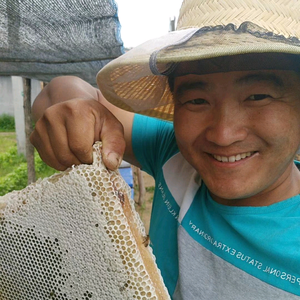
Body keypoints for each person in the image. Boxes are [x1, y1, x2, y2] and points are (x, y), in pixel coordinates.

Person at [30, 0, 300, 298]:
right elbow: (63, 90)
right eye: (197, 100)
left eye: (258, 96)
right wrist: (75, 111)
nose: (223, 135)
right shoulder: (171, 151)